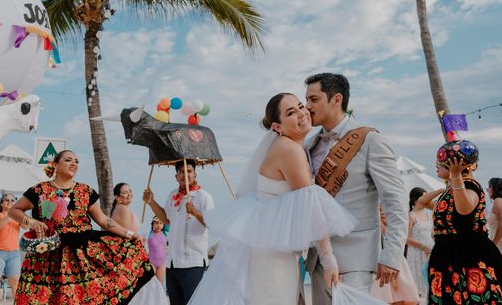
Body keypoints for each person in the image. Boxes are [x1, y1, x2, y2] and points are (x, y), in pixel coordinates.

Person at [184, 93, 358, 305]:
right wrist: (329, 260)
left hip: (274, 250)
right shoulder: (289, 150)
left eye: (300, 106)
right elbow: (311, 208)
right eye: (291, 113)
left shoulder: (292, 147)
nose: (302, 114)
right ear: (277, 127)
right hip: (273, 257)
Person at [8, 149, 166, 304]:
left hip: (81, 254)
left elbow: (104, 221)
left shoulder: (85, 191)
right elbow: (14, 210)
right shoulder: (40, 190)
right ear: (55, 165)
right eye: (68, 160)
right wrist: (32, 222)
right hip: (47, 253)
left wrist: (129, 233)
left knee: (80, 297)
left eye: (76, 161)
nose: (73, 164)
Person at [304, 73, 408, 303]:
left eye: (313, 99)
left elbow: (395, 200)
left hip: (357, 259)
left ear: (336, 99)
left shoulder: (371, 141)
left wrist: (392, 254)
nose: (307, 106)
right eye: (306, 100)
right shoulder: (309, 145)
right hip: (319, 258)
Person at [428, 139, 502, 304]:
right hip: (448, 255)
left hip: (467, 256)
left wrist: (456, 175)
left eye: (441, 160)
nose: (436, 164)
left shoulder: (470, 185)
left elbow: (464, 210)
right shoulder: (451, 189)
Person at [144, 159, 214, 305]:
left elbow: (211, 223)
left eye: (189, 171)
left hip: (193, 263)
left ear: (195, 174)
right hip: (172, 263)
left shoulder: (204, 196)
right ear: (176, 176)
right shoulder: (173, 194)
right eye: (181, 172)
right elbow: (166, 219)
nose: (185, 174)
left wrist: (195, 212)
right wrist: (151, 201)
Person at [0, 193, 22, 305]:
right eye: (7, 200)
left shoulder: (17, 216)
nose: (10, 202)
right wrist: (10, 216)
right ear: (1, 203)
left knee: (15, 281)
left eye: (13, 200)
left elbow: (26, 226)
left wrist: (20, 216)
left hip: (14, 253)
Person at [405, 187, 435, 302]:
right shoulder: (411, 216)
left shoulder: (428, 215)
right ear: (416, 200)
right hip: (416, 252)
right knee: (418, 281)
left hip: (430, 250)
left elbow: (431, 233)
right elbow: (406, 238)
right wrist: (423, 247)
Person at [147, 216, 167, 284]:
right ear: (152, 224)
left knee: (159, 284)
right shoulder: (149, 234)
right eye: (156, 223)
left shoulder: (165, 234)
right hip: (152, 262)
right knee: (151, 283)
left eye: (161, 223)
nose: (159, 225)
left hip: (162, 262)